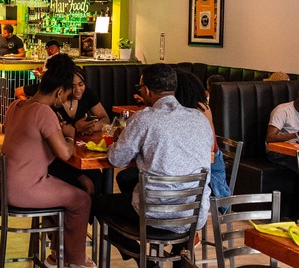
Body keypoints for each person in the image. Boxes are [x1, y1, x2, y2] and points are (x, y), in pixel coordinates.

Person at [96, 64, 213, 267]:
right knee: (128, 179)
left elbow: (117, 159)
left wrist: (120, 140)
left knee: (95, 203)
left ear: (147, 91)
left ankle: (144, 259)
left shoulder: (144, 118)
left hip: (156, 211)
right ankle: (179, 250)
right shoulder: (198, 119)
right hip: (193, 213)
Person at [0, 54, 95, 268]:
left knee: (68, 188)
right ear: (59, 92)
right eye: (66, 95)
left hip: (2, 184)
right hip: (23, 188)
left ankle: (57, 254)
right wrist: (69, 135)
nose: (65, 100)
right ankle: (76, 262)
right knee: (82, 200)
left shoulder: (16, 105)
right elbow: (65, 153)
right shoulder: (43, 112)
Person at [16, 66, 107, 196]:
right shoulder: (47, 98)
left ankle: (92, 208)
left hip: (72, 153)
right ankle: (78, 206)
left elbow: (105, 119)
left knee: (96, 177)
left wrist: (90, 126)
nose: (78, 90)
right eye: (72, 86)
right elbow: (61, 152)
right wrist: (74, 130)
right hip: (53, 159)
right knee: (87, 184)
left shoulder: (87, 94)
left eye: (81, 84)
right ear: (61, 88)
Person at [175, 70, 231, 200]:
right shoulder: (190, 108)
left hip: (210, 162)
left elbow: (209, 147)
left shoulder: (200, 109)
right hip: (201, 159)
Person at [265, 85, 299, 172]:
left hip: (298, 149)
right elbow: (270, 138)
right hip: (277, 152)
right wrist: (297, 134)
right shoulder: (282, 110)